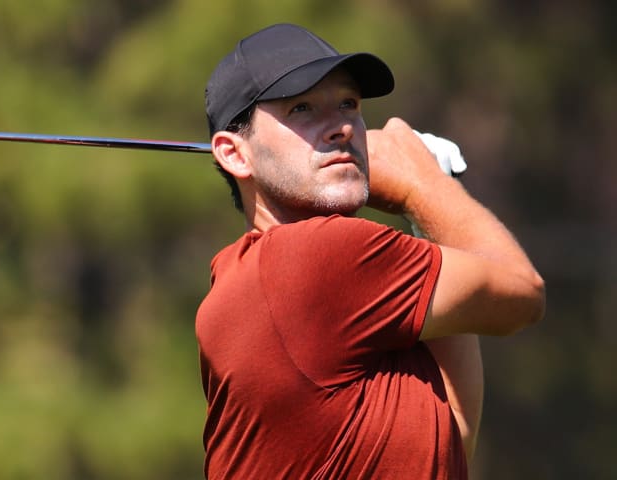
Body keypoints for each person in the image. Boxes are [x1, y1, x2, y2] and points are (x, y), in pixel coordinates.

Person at [195, 23, 545, 479]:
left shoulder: (247, 278)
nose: (341, 127)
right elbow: (522, 293)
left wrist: (428, 212)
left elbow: (448, 439)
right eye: (302, 108)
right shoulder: (316, 253)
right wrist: (423, 184)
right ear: (235, 154)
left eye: (348, 104)